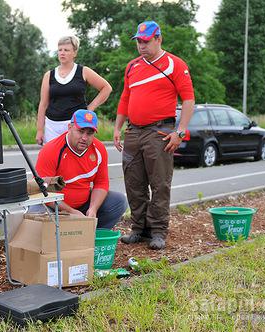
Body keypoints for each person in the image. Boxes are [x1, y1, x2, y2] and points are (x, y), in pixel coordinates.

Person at [113, 21, 195, 249]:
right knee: (133, 182)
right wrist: (118, 128)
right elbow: (125, 98)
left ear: (159, 39)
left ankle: (158, 231)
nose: (141, 45)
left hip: (159, 131)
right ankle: (139, 228)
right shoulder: (132, 67)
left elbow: (188, 99)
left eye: (146, 41)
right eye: (139, 41)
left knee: (159, 183)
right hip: (133, 131)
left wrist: (180, 131)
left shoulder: (174, 64)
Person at [33, 109, 128, 229]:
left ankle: (91, 236)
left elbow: (101, 183)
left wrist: (93, 208)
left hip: (84, 205)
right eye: (80, 131)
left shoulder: (99, 149)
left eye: (89, 133)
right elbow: (43, 192)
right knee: (36, 211)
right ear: (69, 127)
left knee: (119, 201)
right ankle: (55, 241)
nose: (84, 137)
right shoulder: (50, 151)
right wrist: (71, 211)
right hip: (56, 207)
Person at [35, 36, 112, 145]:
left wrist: (90, 108)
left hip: (76, 125)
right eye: (60, 50)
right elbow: (43, 104)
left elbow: (106, 88)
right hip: (52, 126)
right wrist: (40, 130)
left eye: (66, 50)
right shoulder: (49, 75)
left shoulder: (83, 71)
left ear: (75, 53)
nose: (62, 53)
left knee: (74, 159)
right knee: (53, 159)